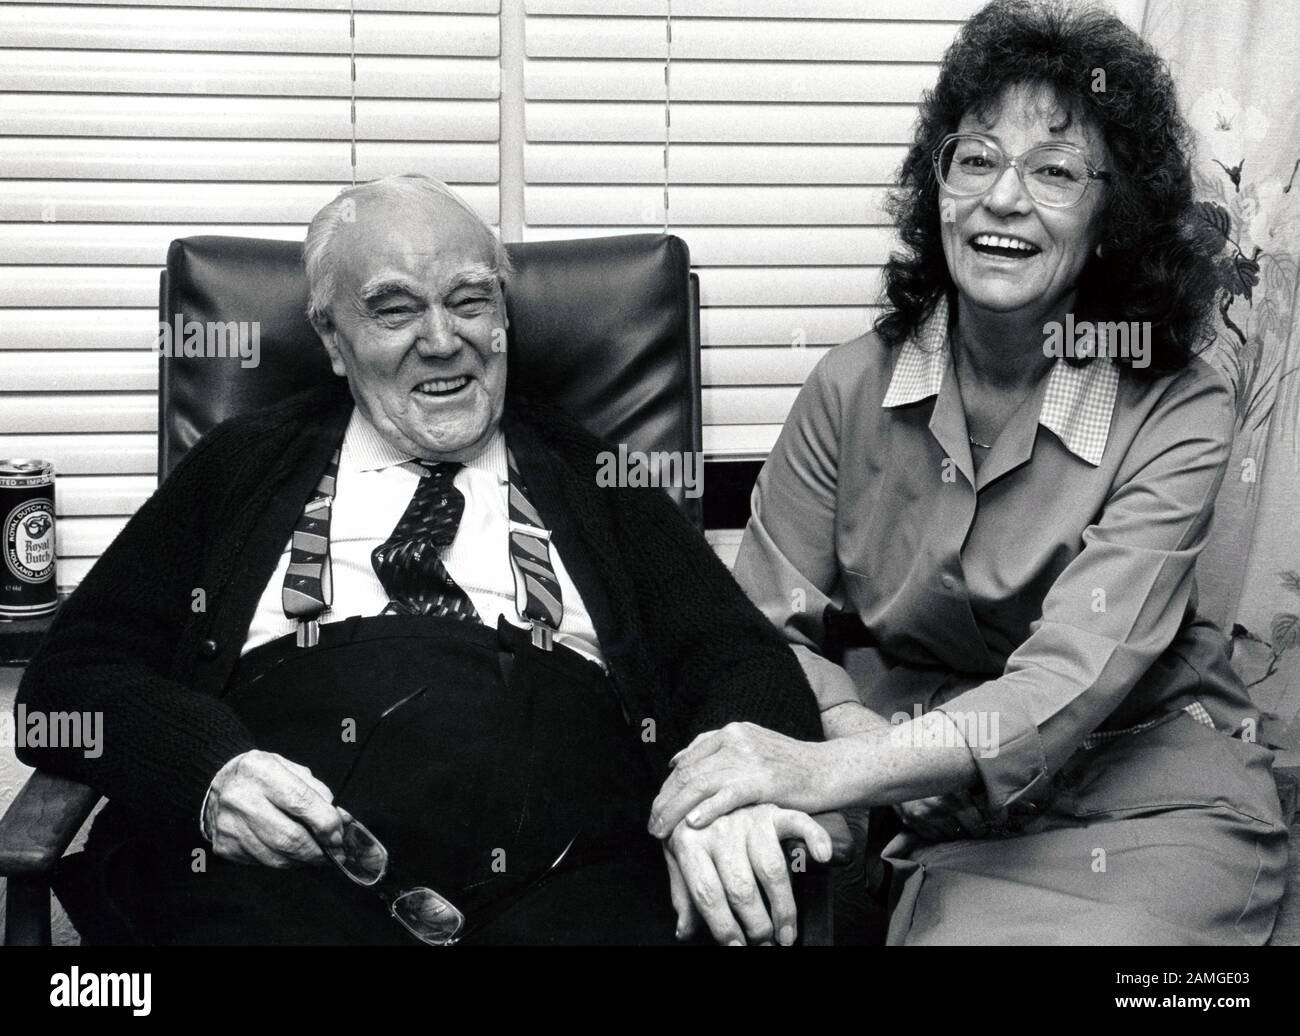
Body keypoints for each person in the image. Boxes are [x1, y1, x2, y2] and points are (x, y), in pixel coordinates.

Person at [15, 173, 829, 946]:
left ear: (503, 319)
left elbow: (742, 661)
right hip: (286, 889)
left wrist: (727, 796)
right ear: (333, 338)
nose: (443, 341)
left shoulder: (596, 475)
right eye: (394, 310)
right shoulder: (241, 465)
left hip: (569, 884)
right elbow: (68, 683)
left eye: (470, 301)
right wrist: (205, 771)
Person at [647, 0, 1289, 944]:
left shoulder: (1178, 402)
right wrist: (856, 735)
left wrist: (827, 771)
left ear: (1114, 217)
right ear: (937, 186)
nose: (1003, 197)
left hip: (1139, 802)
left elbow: (1068, 678)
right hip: (915, 807)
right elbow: (754, 625)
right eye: (976, 158)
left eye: (1057, 171)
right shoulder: (851, 385)